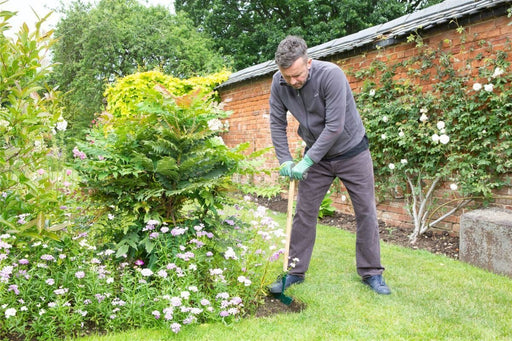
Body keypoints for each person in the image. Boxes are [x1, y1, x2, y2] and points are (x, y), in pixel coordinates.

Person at [268, 35, 391, 295]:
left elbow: (335, 126)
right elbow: (276, 124)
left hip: (352, 151)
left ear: (309, 63)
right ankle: (294, 271)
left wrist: (307, 160)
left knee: (365, 211)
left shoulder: (331, 75)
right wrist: (286, 159)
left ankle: (371, 273)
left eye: (297, 75)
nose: (293, 81)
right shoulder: (279, 83)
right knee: (304, 212)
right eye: (287, 76)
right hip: (317, 156)